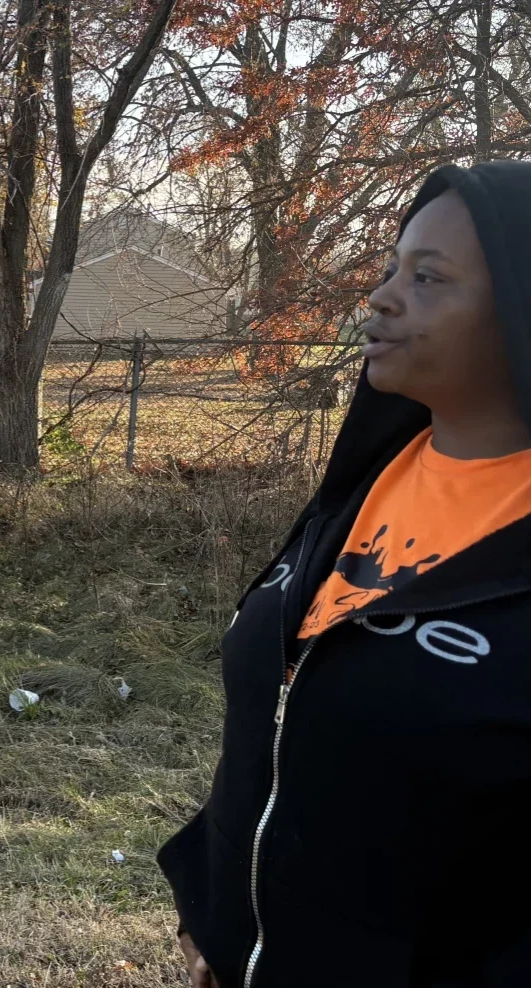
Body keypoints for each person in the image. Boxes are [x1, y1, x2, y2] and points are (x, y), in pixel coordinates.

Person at [158, 160, 531, 988]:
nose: (382, 297)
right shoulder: (370, 478)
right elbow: (278, 710)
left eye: (427, 279)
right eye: (391, 269)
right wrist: (224, 921)